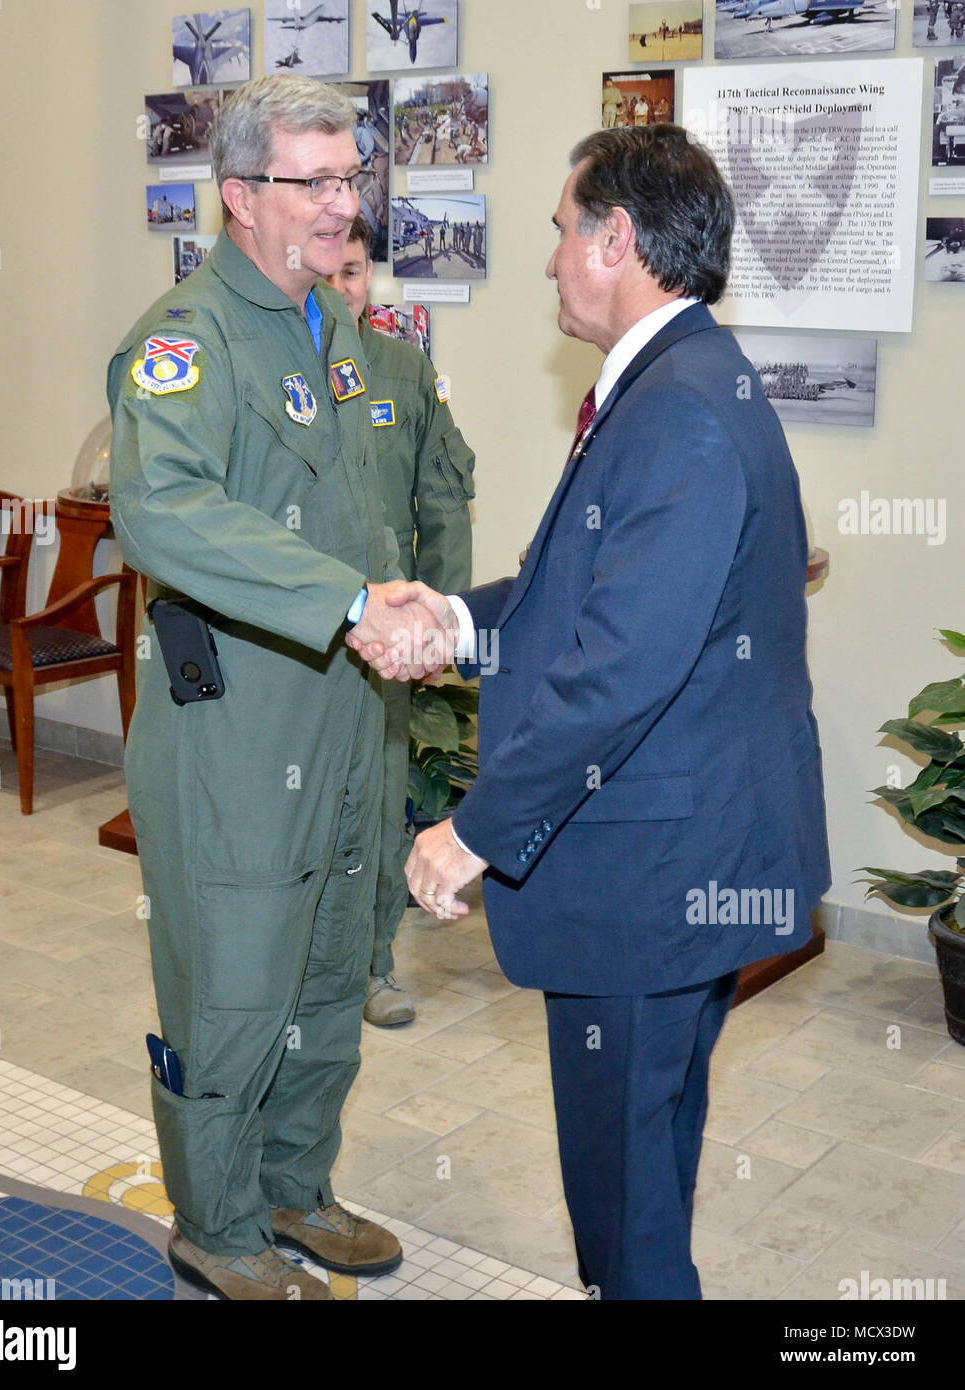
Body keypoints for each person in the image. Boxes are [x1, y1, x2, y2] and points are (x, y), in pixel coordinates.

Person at [352, 125, 830, 1300]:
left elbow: (617, 669)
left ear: (618, 239)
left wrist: (468, 833)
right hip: (690, 852)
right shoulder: (680, 381)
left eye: (563, 229)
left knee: (621, 1207)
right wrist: (457, 623)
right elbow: (586, 591)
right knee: (647, 1161)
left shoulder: (672, 412)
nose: (551, 258)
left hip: (649, 872)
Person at [107, 73, 449, 1302]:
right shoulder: (183, 343)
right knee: (238, 984)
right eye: (314, 181)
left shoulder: (347, 334)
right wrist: (355, 604)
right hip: (238, 726)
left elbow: (378, 509)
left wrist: (414, 608)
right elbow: (164, 512)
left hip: (352, 717)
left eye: (349, 177)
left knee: (324, 976)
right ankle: (217, 1221)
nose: (339, 205)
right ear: (240, 195)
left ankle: (296, 1189)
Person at [325, 215, 475, 1026]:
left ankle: (373, 967)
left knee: (378, 803)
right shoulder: (267, 374)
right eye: (329, 272)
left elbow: (444, 499)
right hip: (295, 639)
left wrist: (446, 619)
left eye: (354, 272)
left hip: (383, 642)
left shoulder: (402, 372)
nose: (341, 288)